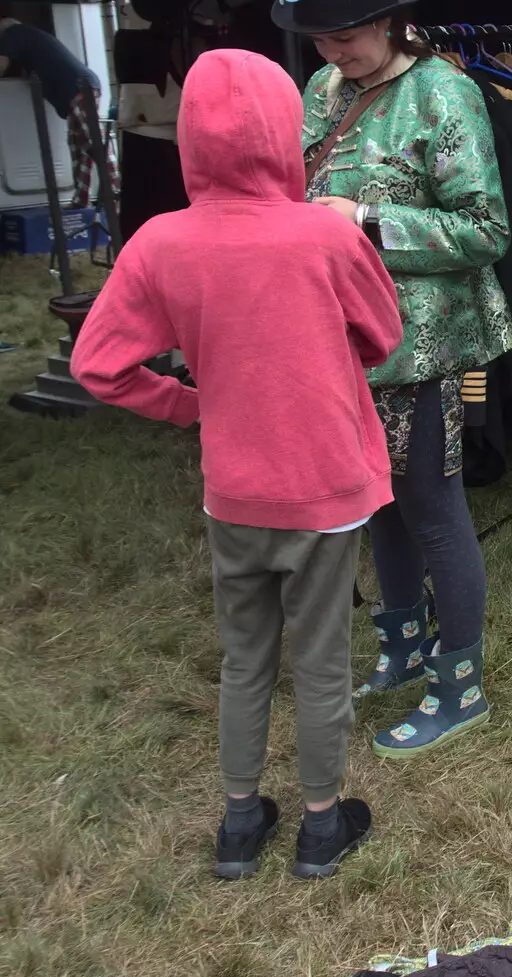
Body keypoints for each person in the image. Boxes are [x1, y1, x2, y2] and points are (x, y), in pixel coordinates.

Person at [71, 48, 403, 880]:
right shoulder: (327, 233)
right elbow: (383, 337)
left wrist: (195, 403)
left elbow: (98, 365)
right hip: (324, 485)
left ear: (188, 141)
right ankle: (322, 827)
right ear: (284, 132)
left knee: (243, 657)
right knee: (322, 658)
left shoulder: (160, 242)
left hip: (235, 488)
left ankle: (238, 823)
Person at [274, 0, 512, 758]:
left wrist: (369, 221)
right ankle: (404, 649)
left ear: (390, 20)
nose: (331, 51)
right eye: (319, 38)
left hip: (424, 345)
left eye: (345, 36)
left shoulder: (445, 94)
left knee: (432, 508)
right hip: (340, 342)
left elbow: (487, 230)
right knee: (372, 500)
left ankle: (461, 685)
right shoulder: (321, 88)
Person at [0, 5, 117, 215]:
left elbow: (2, 65)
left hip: (77, 88)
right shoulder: (30, 35)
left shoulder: (11, 34)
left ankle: (116, 191)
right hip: (81, 87)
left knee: (93, 143)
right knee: (80, 147)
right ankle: (82, 199)